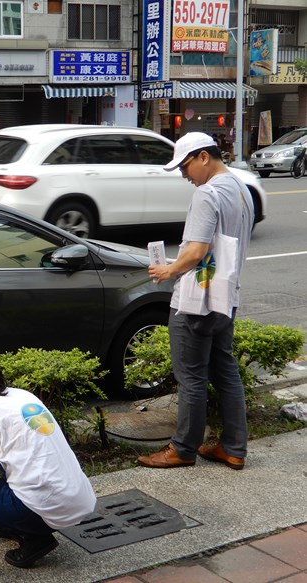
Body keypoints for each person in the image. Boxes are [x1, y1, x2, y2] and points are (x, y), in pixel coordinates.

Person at [137, 132, 254, 471]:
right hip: (226, 297)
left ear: (204, 157)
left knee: (191, 377)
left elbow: (196, 250)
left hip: (196, 300)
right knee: (226, 372)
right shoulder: (241, 190)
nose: (184, 175)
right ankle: (233, 447)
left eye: (185, 166)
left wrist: (167, 269)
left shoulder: (207, 194)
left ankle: (184, 448)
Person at [0, 353, 96, 568]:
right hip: (79, 499)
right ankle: (16, 524)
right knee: (4, 456)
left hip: (47, 509)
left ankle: (34, 538)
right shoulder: (21, 395)